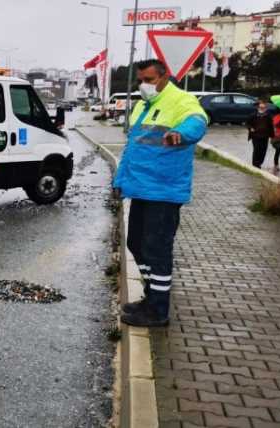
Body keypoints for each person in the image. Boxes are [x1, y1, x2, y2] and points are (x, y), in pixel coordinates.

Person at [114, 59, 209, 327]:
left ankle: (158, 310)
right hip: (140, 187)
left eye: (150, 79)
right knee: (136, 244)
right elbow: (132, 149)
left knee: (157, 250)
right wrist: (120, 181)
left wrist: (181, 133)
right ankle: (150, 296)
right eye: (141, 80)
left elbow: (198, 121)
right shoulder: (144, 106)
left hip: (164, 190)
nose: (144, 85)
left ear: (165, 76)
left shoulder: (181, 100)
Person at [246, 98, 274, 169]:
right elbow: (247, 124)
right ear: (258, 107)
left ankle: (259, 162)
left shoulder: (268, 115)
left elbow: (271, 126)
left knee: (263, 150)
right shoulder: (253, 115)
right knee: (256, 150)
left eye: (264, 107)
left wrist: (272, 135)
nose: (262, 108)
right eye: (261, 107)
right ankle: (255, 164)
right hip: (256, 136)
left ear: (265, 108)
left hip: (265, 136)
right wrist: (250, 128)